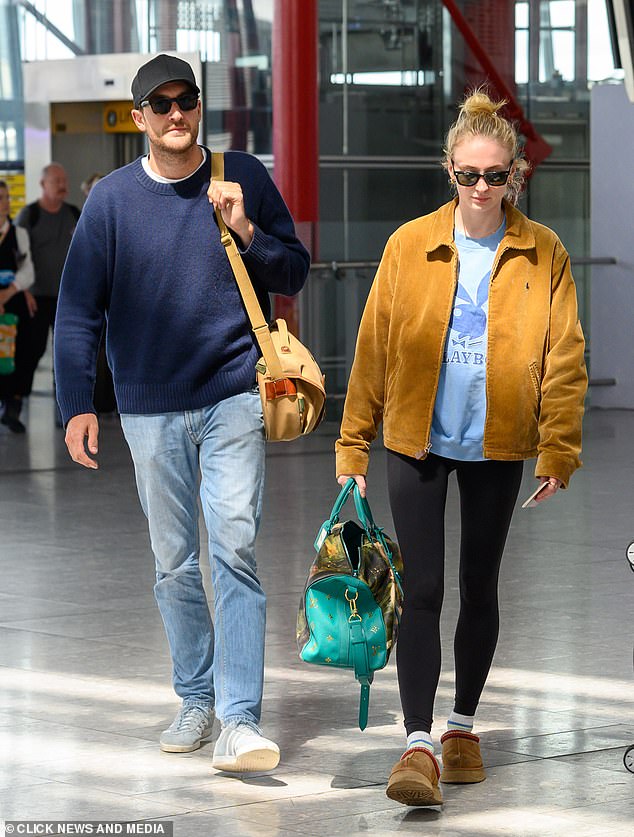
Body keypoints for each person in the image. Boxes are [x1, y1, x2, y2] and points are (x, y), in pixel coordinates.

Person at [54, 54, 310, 773]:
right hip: (149, 406)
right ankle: (195, 695)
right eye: (160, 105)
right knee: (174, 561)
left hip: (233, 391)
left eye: (186, 100)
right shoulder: (110, 202)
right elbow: (78, 310)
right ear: (138, 117)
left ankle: (238, 718)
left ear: (199, 106)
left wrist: (248, 230)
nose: (175, 114)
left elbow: (295, 268)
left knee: (231, 545)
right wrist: (78, 403)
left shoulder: (243, 175)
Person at [335, 89, 587, 807]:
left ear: (516, 175)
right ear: (450, 169)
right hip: (416, 441)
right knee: (421, 589)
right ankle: (417, 743)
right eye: (470, 174)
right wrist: (352, 446)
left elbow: (565, 356)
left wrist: (558, 448)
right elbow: (372, 349)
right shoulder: (409, 245)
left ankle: (463, 728)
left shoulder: (545, 252)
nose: (483, 188)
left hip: (499, 443)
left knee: (480, 586)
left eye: (496, 175)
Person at [15, 163, 80, 424]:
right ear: (43, 185)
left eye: (64, 180)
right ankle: (16, 404)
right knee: (31, 350)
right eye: (56, 181)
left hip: (67, 298)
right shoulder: (29, 215)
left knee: (64, 354)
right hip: (36, 297)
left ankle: (64, 411)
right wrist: (25, 291)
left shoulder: (74, 214)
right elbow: (17, 258)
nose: (63, 185)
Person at [0, 180, 36, 433]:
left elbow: (28, 270)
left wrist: (8, 293)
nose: (5, 202)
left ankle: (12, 408)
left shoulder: (18, 233)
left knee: (20, 354)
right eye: (1, 197)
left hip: (12, 299)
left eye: (6, 197)